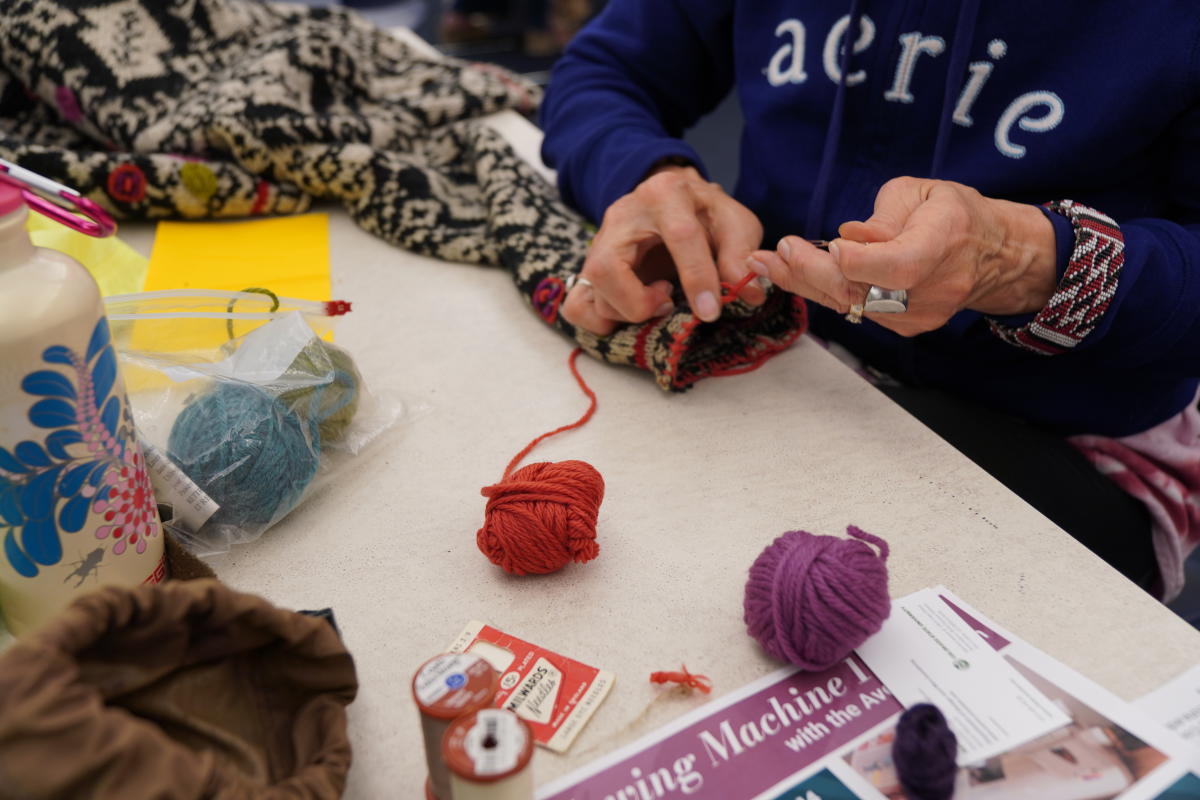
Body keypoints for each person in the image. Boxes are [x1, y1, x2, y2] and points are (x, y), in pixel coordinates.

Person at [538, 1, 1200, 599]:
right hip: (792, 348)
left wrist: (1023, 262)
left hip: (1072, 425)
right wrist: (647, 176)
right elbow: (606, 68)